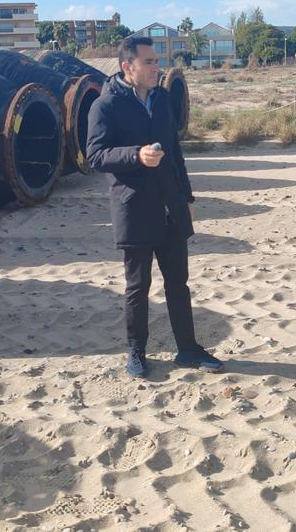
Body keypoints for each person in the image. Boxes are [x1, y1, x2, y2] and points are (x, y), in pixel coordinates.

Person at [85, 36, 223, 378]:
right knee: (138, 287)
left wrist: (187, 198)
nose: (155, 67)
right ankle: (137, 352)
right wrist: (135, 155)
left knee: (179, 283)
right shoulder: (105, 106)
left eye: (155, 61)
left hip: (170, 205)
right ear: (126, 67)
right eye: (147, 62)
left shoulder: (162, 100)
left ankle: (188, 349)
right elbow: (95, 155)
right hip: (134, 207)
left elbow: (175, 153)